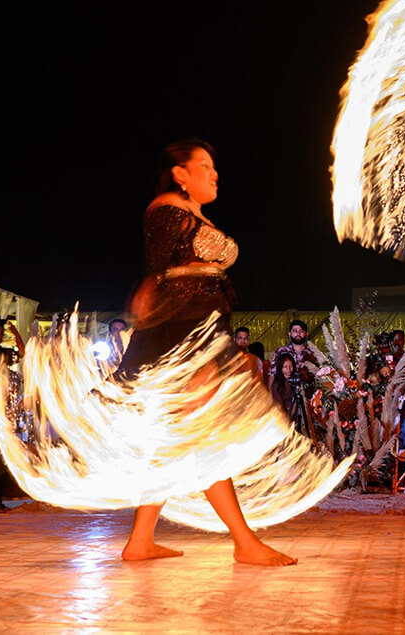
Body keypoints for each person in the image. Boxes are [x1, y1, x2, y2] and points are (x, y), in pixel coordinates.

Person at [115, 139, 298, 565]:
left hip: (203, 332)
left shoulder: (195, 215)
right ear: (180, 174)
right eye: (204, 165)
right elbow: (158, 268)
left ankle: (141, 541)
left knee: (180, 439)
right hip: (186, 334)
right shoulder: (166, 208)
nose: (214, 173)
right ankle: (244, 543)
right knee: (201, 436)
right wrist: (148, 301)